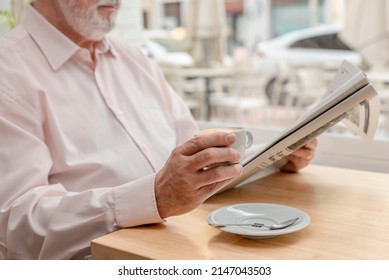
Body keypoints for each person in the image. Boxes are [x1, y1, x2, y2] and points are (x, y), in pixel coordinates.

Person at [0, 0, 317, 260]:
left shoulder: (134, 59)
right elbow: (17, 221)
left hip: (180, 244)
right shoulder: (8, 71)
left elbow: (194, 156)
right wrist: (153, 197)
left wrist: (275, 156)